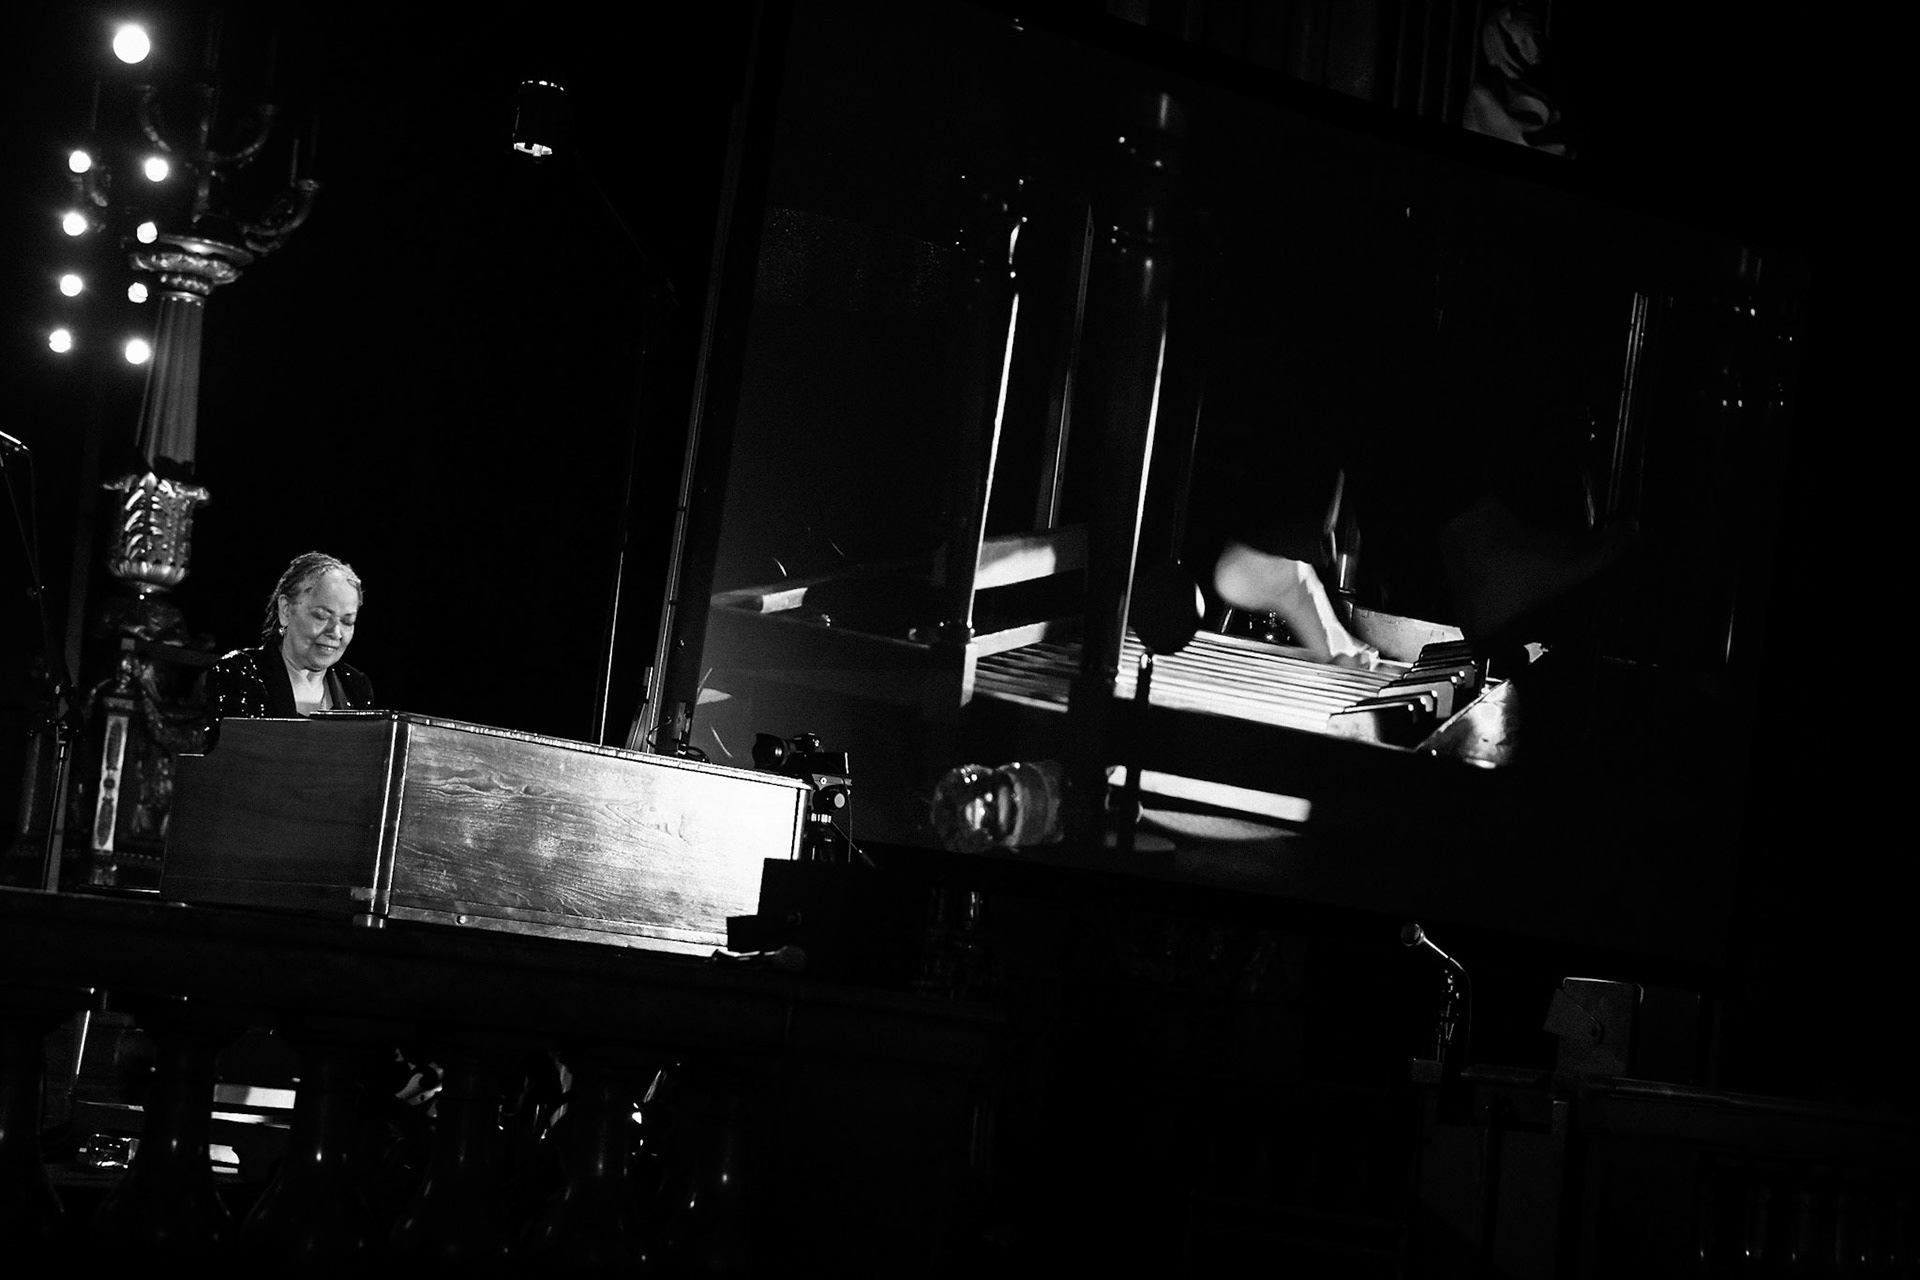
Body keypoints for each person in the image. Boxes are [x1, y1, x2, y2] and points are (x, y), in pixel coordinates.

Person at [204, 551, 376, 744]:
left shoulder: (356, 687)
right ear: (286, 610)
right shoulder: (239, 674)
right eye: (321, 616)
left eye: (347, 621)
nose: (336, 632)